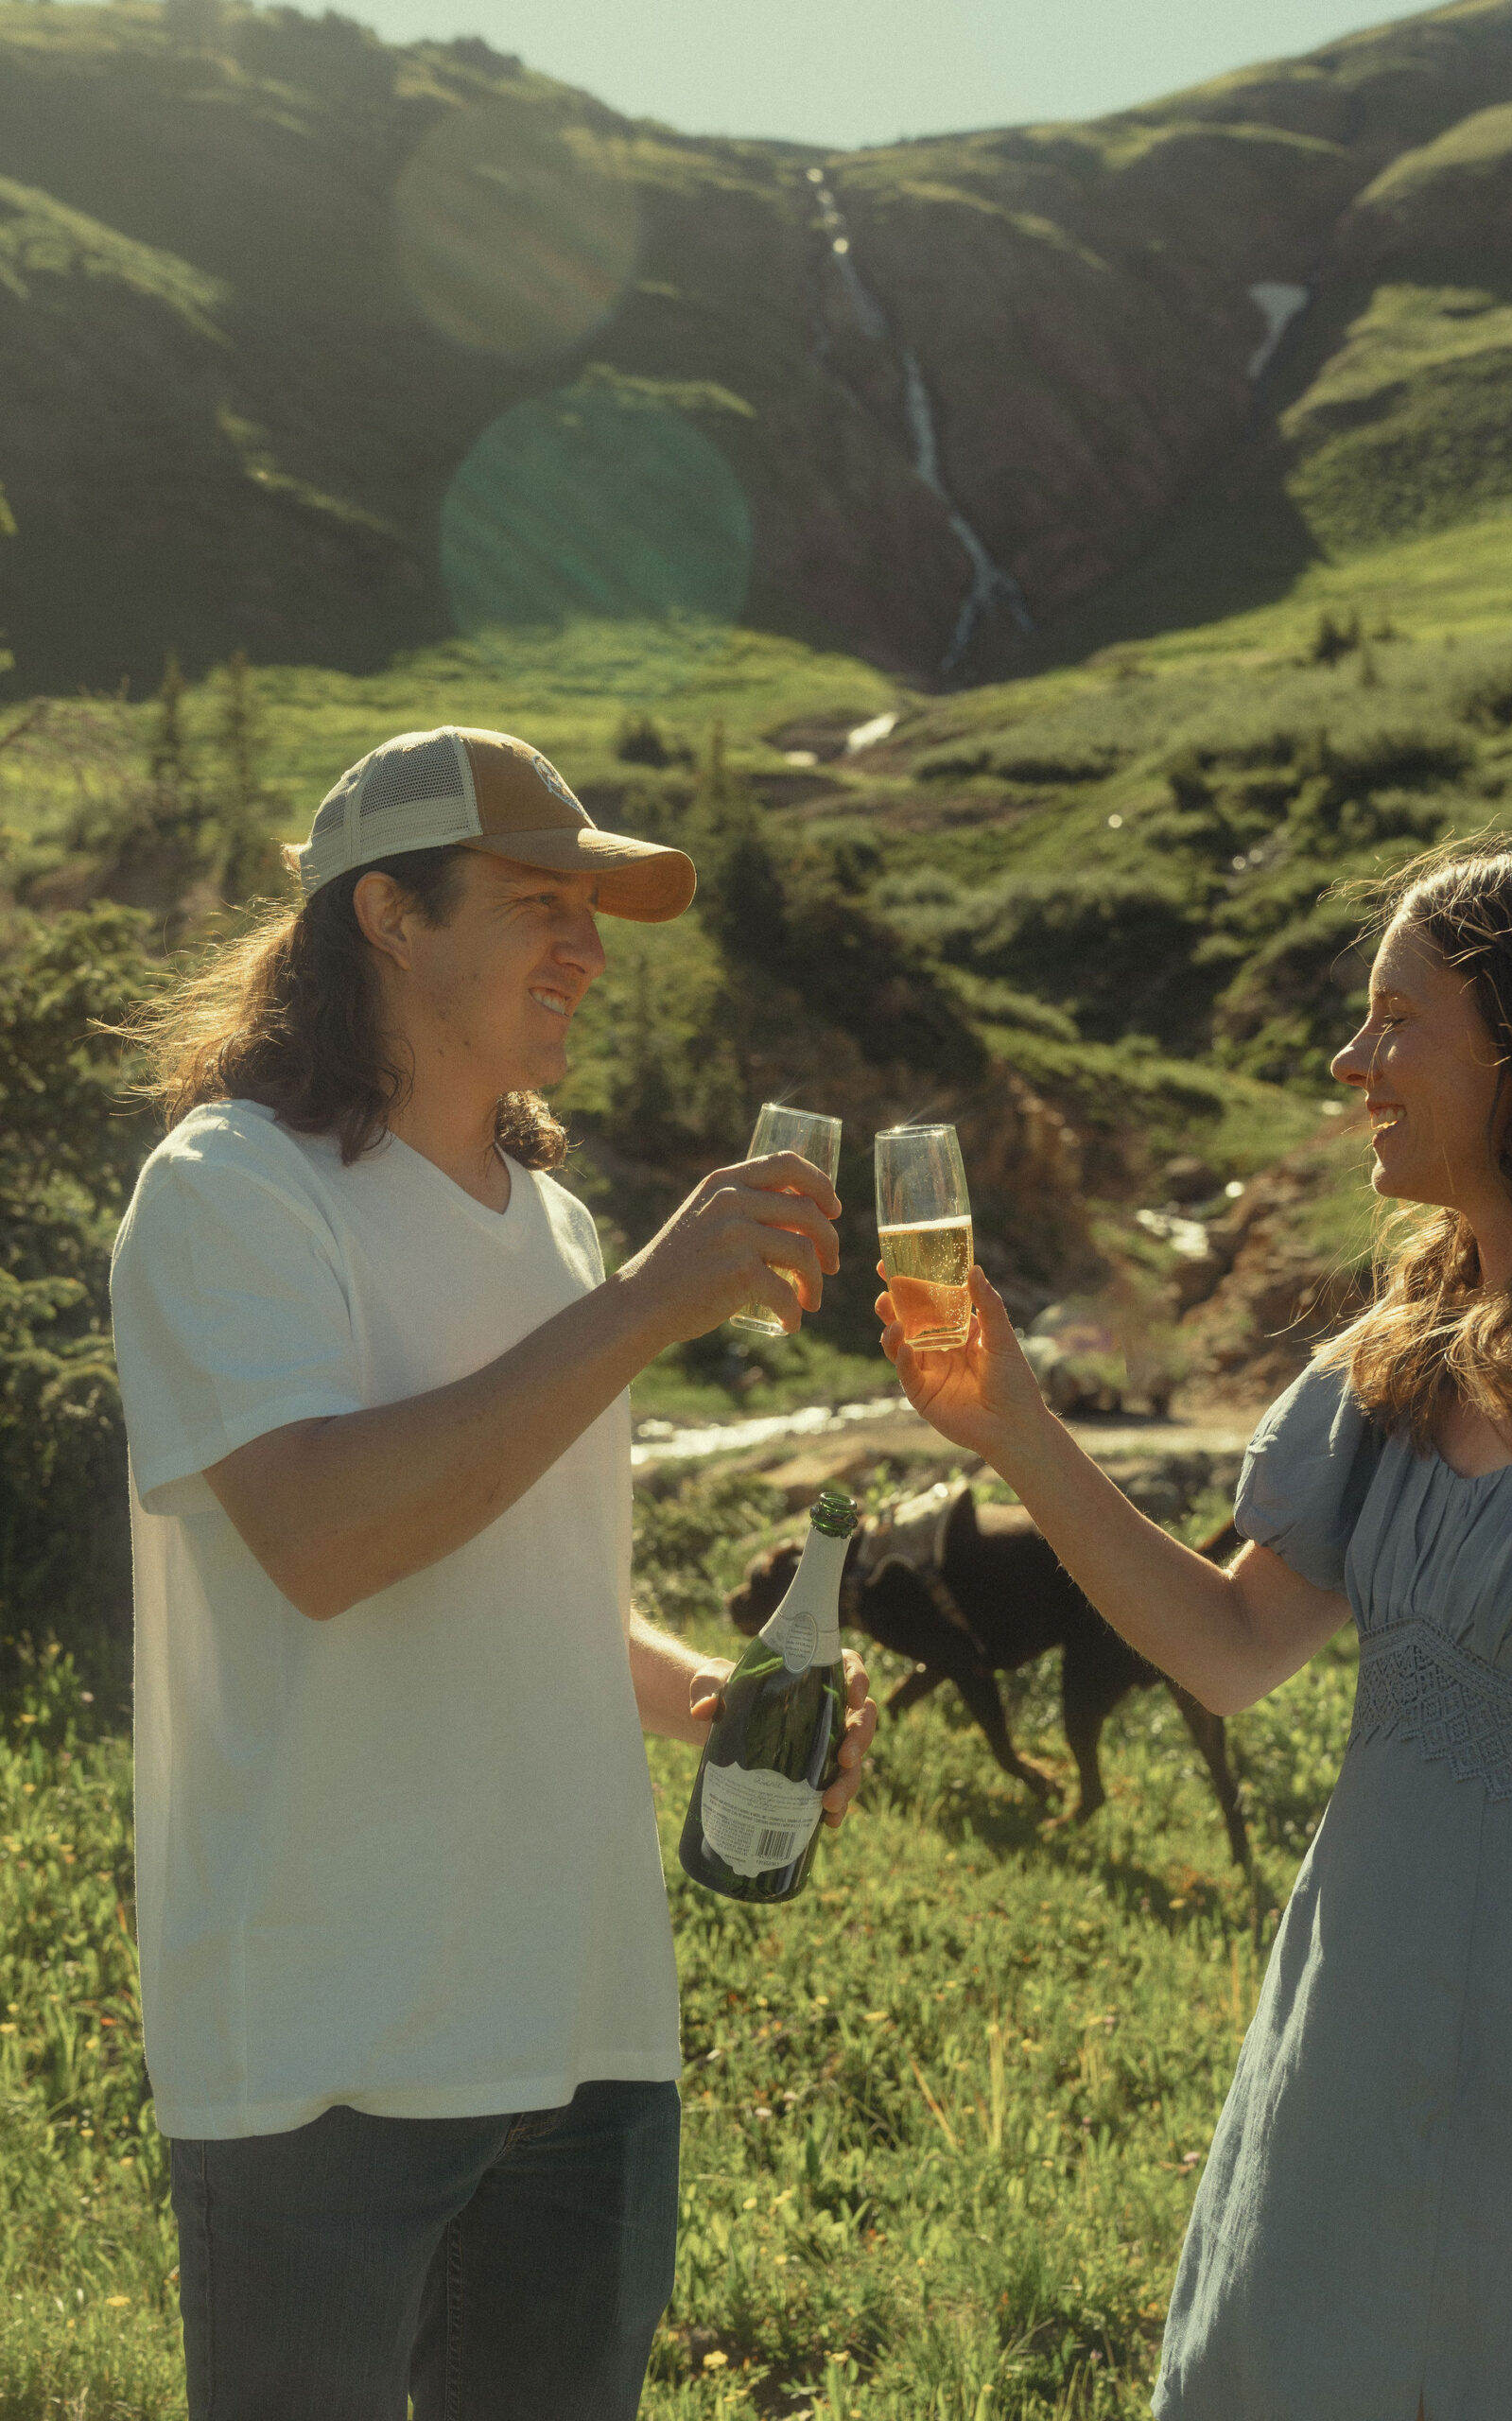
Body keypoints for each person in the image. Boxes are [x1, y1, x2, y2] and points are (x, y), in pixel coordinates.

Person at [108, 724, 876, 2421]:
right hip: (332, 2041)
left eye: (596, 914)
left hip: (584, 2022)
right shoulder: (232, 1190)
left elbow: (515, 1566)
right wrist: (646, 1313)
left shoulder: (556, 1221)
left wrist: (712, 1698)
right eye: (544, 904)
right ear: (388, 915)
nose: (590, 952)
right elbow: (322, 1537)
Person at [877, 844, 1512, 2420]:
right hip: (1342, 2073)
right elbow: (1225, 1647)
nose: (1353, 1064)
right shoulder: (1394, 1373)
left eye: (1393, 1021)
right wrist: (1013, 1424)